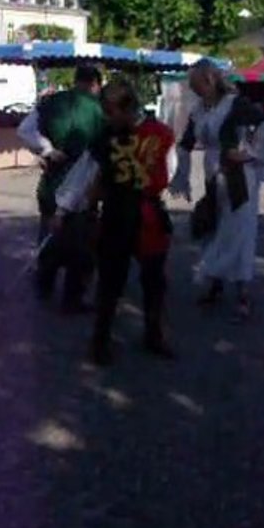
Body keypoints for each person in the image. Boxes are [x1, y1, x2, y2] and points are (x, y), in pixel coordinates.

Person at [53, 81, 176, 365]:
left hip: (148, 215)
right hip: (116, 214)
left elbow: (168, 172)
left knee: (154, 282)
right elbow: (85, 174)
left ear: (128, 107)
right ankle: (100, 342)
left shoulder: (160, 134)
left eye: (111, 111)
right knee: (110, 283)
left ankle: (153, 335)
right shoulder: (105, 138)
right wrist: (63, 210)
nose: (107, 117)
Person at [170, 60, 264, 322]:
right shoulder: (200, 109)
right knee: (214, 228)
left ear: (209, 81)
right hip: (215, 177)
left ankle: (243, 294)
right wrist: (182, 174)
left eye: (195, 83)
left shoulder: (234, 104)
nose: (193, 89)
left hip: (239, 179)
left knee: (239, 232)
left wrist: (249, 154)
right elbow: (186, 143)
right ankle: (216, 285)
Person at [16, 66, 104, 313]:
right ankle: (72, 297)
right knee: (81, 242)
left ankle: (44, 286)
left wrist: (47, 150)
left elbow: (25, 130)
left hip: (53, 182)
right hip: (85, 185)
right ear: (95, 84)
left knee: (49, 234)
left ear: (75, 82)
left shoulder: (51, 102)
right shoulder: (99, 110)